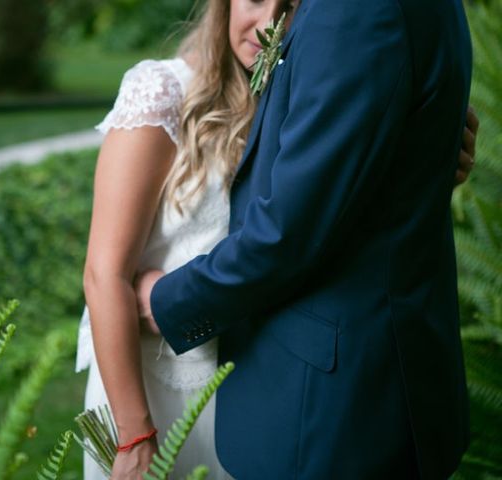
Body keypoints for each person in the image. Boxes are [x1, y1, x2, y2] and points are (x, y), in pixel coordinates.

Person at [78, 0, 478, 478]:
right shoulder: (160, 91)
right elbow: (105, 274)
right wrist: (135, 433)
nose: (269, 25)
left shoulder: (300, 84)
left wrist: (412, 155)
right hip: (162, 385)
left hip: (246, 383)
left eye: (289, 7)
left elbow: (314, 208)